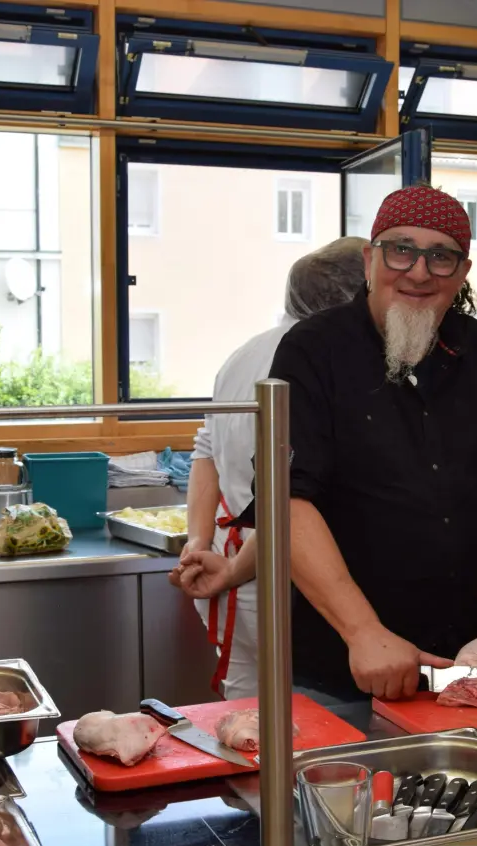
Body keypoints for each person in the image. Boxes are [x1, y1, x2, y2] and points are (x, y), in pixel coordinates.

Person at [177, 185, 477, 702]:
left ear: (462, 272)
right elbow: (287, 500)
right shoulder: (313, 350)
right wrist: (362, 630)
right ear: (369, 259)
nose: (419, 272)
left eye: (440, 256)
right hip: (343, 665)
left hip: (463, 662)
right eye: (401, 249)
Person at [171, 237, 366, 699]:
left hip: (232, 561)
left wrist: (197, 542)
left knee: (245, 719)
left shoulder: (243, 354)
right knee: (308, 728)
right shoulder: (325, 361)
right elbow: (289, 495)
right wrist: (236, 568)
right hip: (281, 578)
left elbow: (206, 450)